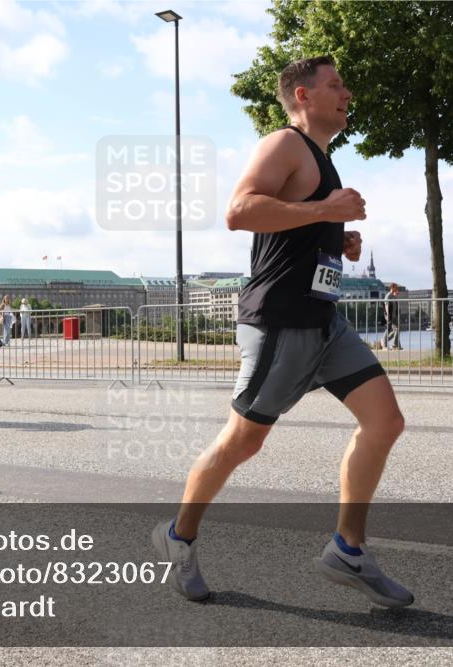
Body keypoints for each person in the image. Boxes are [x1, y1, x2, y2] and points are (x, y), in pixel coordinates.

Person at [151, 56, 413, 608]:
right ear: (303, 94)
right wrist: (325, 208)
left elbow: (292, 222)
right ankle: (179, 536)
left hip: (324, 319)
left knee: (385, 421)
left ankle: (348, 547)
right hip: (279, 322)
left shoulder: (323, 157)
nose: (347, 92)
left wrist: (333, 239)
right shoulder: (284, 144)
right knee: (243, 441)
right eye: (335, 84)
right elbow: (240, 210)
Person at [382, 283, 403, 350]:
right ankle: (385, 344)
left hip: (394, 316)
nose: (397, 289)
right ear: (392, 287)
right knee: (389, 329)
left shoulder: (393, 296)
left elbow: (396, 306)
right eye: (396, 288)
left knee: (397, 329)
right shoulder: (388, 296)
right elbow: (386, 307)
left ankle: (395, 344)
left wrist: (396, 296)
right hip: (389, 316)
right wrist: (388, 316)